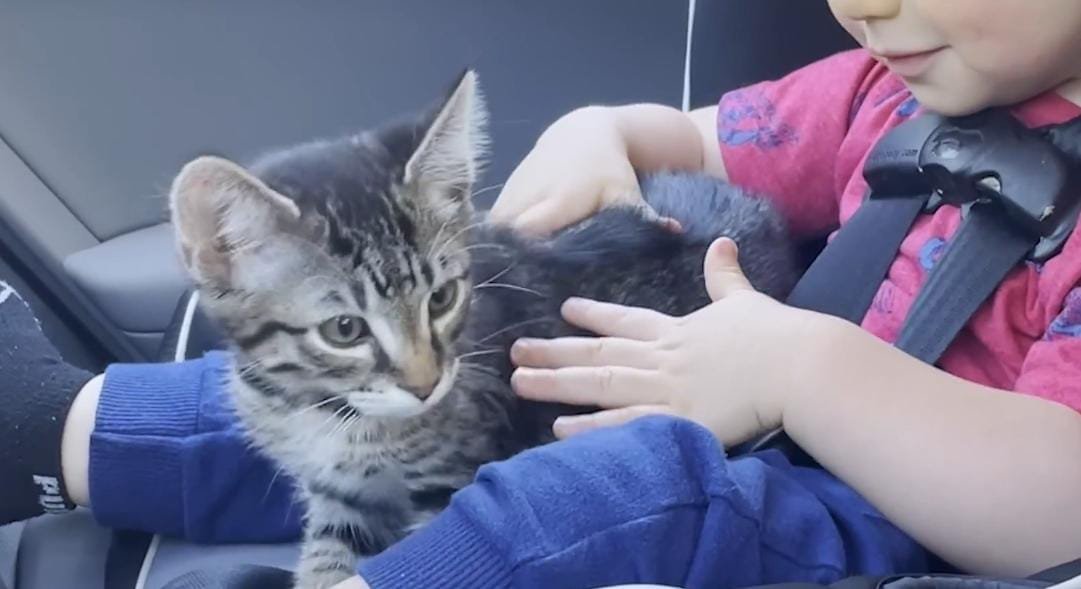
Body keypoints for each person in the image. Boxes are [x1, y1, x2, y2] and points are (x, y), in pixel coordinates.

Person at [5, 1, 1081, 588]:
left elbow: (1056, 506)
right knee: (325, 402)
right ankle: (60, 427)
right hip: (736, 381)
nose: (862, 4)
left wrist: (800, 371)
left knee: (619, 484)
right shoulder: (882, 90)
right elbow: (698, 136)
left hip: (868, 512)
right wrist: (600, 131)